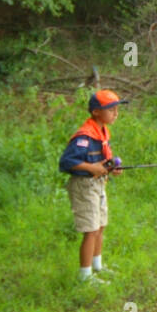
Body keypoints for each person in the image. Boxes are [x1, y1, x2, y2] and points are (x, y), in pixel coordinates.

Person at [59, 89, 128, 283]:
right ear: (96, 112)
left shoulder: (102, 131)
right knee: (90, 230)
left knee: (100, 226)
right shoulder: (84, 136)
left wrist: (111, 167)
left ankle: (97, 266)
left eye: (117, 110)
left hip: (98, 184)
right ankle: (85, 276)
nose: (116, 114)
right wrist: (92, 168)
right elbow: (66, 162)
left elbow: (103, 160)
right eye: (111, 110)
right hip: (83, 186)